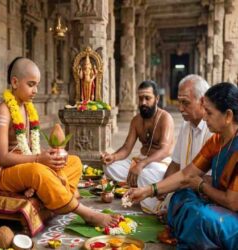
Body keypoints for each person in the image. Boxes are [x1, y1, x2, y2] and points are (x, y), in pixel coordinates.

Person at [0, 57, 120, 227]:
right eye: (31, 84)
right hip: (3, 173)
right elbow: (3, 158)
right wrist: (38, 159)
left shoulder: (28, 109)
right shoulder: (3, 111)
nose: (35, 90)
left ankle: (52, 193)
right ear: (14, 82)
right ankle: (85, 213)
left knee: (74, 161)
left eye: (37, 85)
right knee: (38, 171)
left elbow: (30, 149)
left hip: (25, 165)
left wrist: (48, 156)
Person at [127, 82, 238, 249]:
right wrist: (148, 190)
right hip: (217, 202)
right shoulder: (217, 140)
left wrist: (202, 186)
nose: (205, 117)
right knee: (180, 195)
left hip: (232, 213)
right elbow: (186, 175)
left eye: (209, 112)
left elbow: (232, 202)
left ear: (228, 116)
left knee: (200, 217)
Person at [102, 80, 174, 213]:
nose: (143, 103)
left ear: (157, 99)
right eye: (141, 98)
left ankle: (143, 188)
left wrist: (141, 165)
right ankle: (139, 184)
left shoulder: (165, 118)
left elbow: (165, 150)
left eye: (147, 98)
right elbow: (126, 148)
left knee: (144, 175)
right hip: (140, 161)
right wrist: (113, 156)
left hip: (159, 163)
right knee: (109, 167)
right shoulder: (136, 120)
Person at [156, 75, 212, 214]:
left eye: (185, 103)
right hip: (183, 184)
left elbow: (207, 180)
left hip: (200, 191)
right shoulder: (185, 125)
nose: (180, 108)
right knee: (149, 186)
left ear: (203, 101)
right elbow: (175, 164)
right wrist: (162, 190)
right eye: (179, 102)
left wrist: (167, 188)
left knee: (189, 209)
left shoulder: (212, 130)